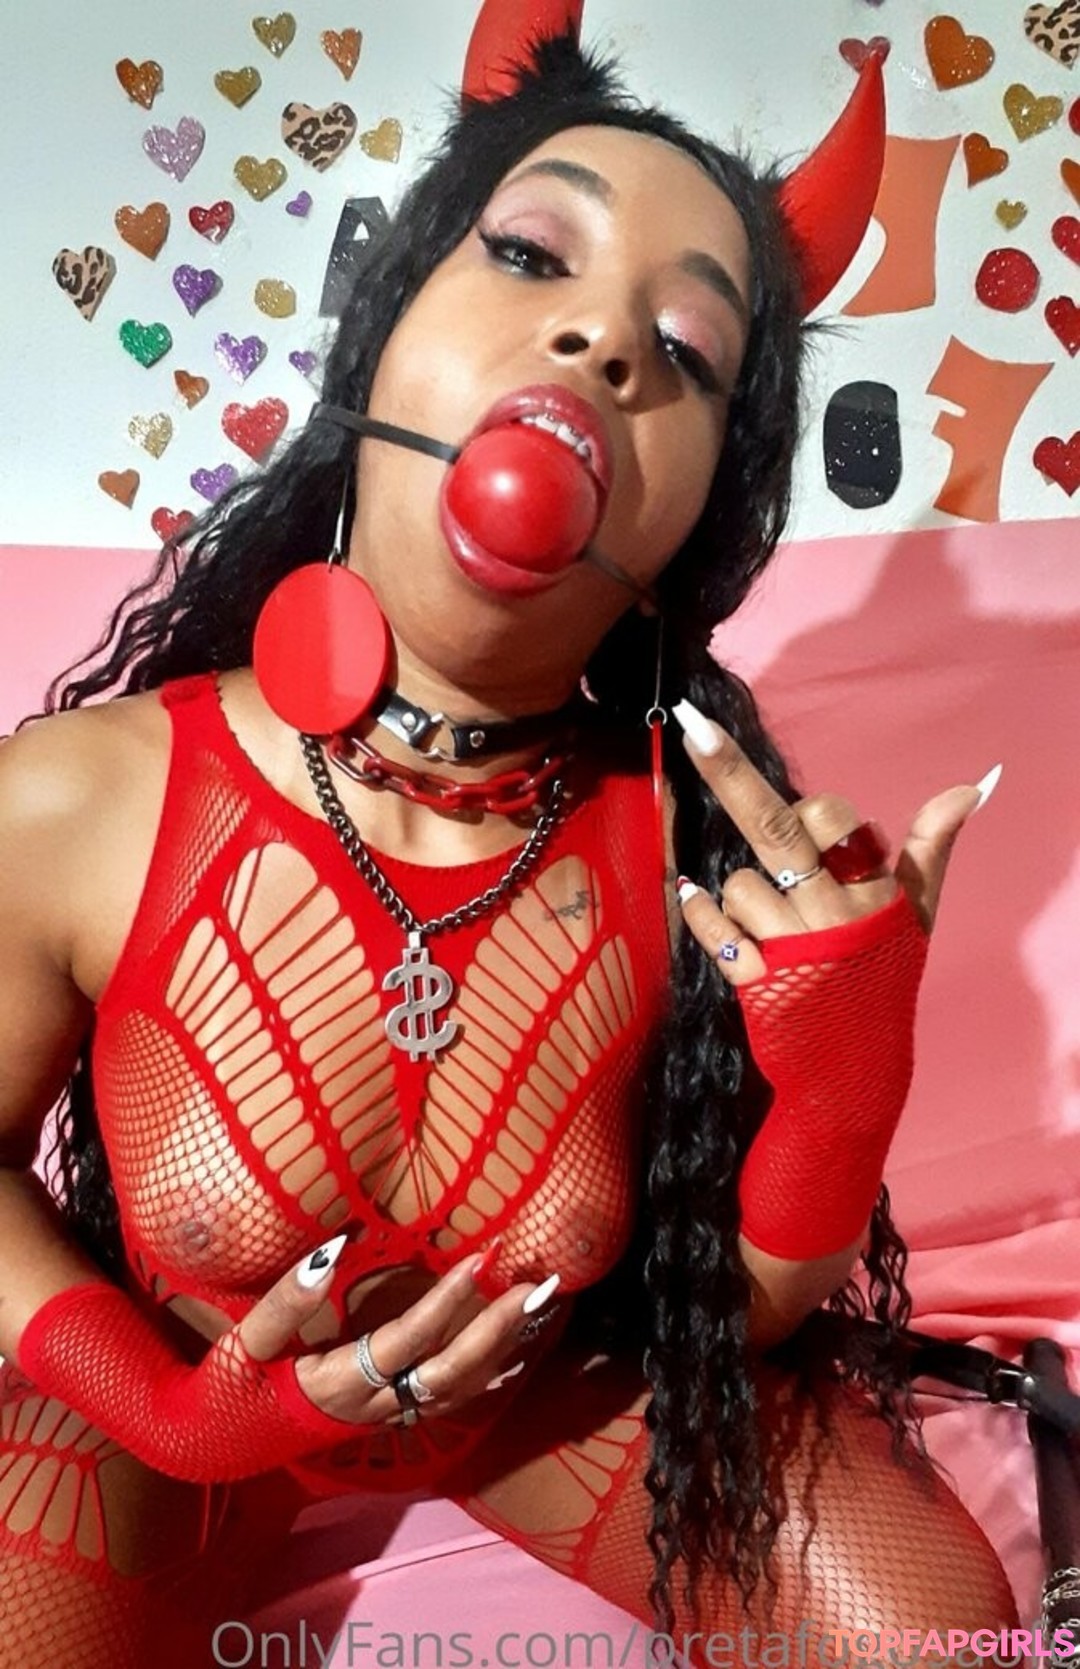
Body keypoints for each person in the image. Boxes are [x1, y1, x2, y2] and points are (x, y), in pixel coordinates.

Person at [0, 20, 1017, 1667]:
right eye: (534, 252)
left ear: (704, 512)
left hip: (543, 1417)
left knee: (953, 1639)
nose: (603, 340)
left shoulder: (690, 846)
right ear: (387, 321)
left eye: (686, 348)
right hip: (164, 1412)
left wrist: (842, 1092)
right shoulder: (79, 797)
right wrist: (174, 1413)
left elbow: (736, 1311)